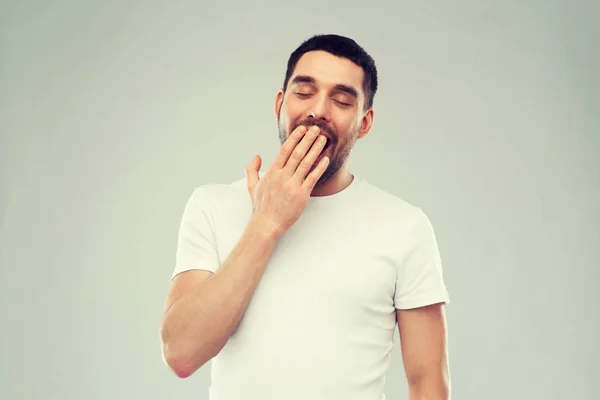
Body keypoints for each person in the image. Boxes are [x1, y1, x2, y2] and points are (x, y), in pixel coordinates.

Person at [160, 34, 451, 400]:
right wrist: (267, 222)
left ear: (364, 123)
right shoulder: (212, 205)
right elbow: (181, 354)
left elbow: (429, 385)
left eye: (342, 100)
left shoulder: (405, 227)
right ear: (280, 103)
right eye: (303, 92)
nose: (319, 110)